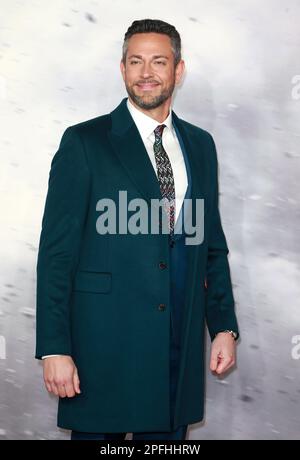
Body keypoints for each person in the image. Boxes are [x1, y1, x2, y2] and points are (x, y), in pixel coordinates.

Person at [35, 18, 240, 441]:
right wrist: (55, 347)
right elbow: (56, 254)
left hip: (175, 355)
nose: (146, 73)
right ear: (123, 68)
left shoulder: (201, 145)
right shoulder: (85, 142)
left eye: (159, 61)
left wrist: (223, 325)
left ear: (178, 70)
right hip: (101, 353)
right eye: (136, 62)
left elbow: (211, 246)